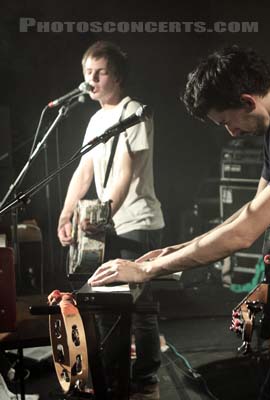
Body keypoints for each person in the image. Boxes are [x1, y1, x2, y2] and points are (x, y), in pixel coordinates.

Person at [88, 46, 270, 400]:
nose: (231, 133)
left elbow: (245, 233)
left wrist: (149, 271)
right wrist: (175, 249)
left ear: (248, 101)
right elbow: (252, 211)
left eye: (226, 121)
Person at [57, 40, 164, 399]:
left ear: (116, 75)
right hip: (110, 225)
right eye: (86, 73)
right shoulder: (95, 119)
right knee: (108, 304)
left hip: (137, 221)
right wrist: (66, 212)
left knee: (140, 308)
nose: (91, 80)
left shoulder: (135, 112)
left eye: (98, 73)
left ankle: (146, 377)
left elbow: (124, 172)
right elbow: (83, 171)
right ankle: (114, 378)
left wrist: (103, 216)